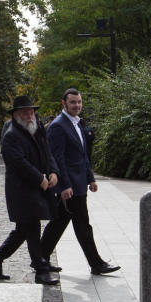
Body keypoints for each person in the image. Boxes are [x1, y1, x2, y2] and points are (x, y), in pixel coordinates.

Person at [40, 88, 120, 275]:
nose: (77, 105)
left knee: (58, 223)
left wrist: (90, 178)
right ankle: (96, 264)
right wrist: (64, 186)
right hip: (70, 186)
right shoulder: (59, 126)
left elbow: (83, 155)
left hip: (79, 183)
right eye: (73, 102)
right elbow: (56, 159)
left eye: (79, 102)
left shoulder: (77, 124)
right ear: (64, 104)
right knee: (82, 224)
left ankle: (40, 258)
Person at [0, 95, 61, 285]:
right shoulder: (11, 135)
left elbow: (48, 152)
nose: (29, 114)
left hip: (38, 187)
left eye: (31, 111)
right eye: (25, 111)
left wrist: (53, 172)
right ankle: (41, 271)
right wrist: (39, 179)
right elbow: (18, 163)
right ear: (16, 114)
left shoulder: (37, 128)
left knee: (23, 230)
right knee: (32, 229)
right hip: (22, 191)